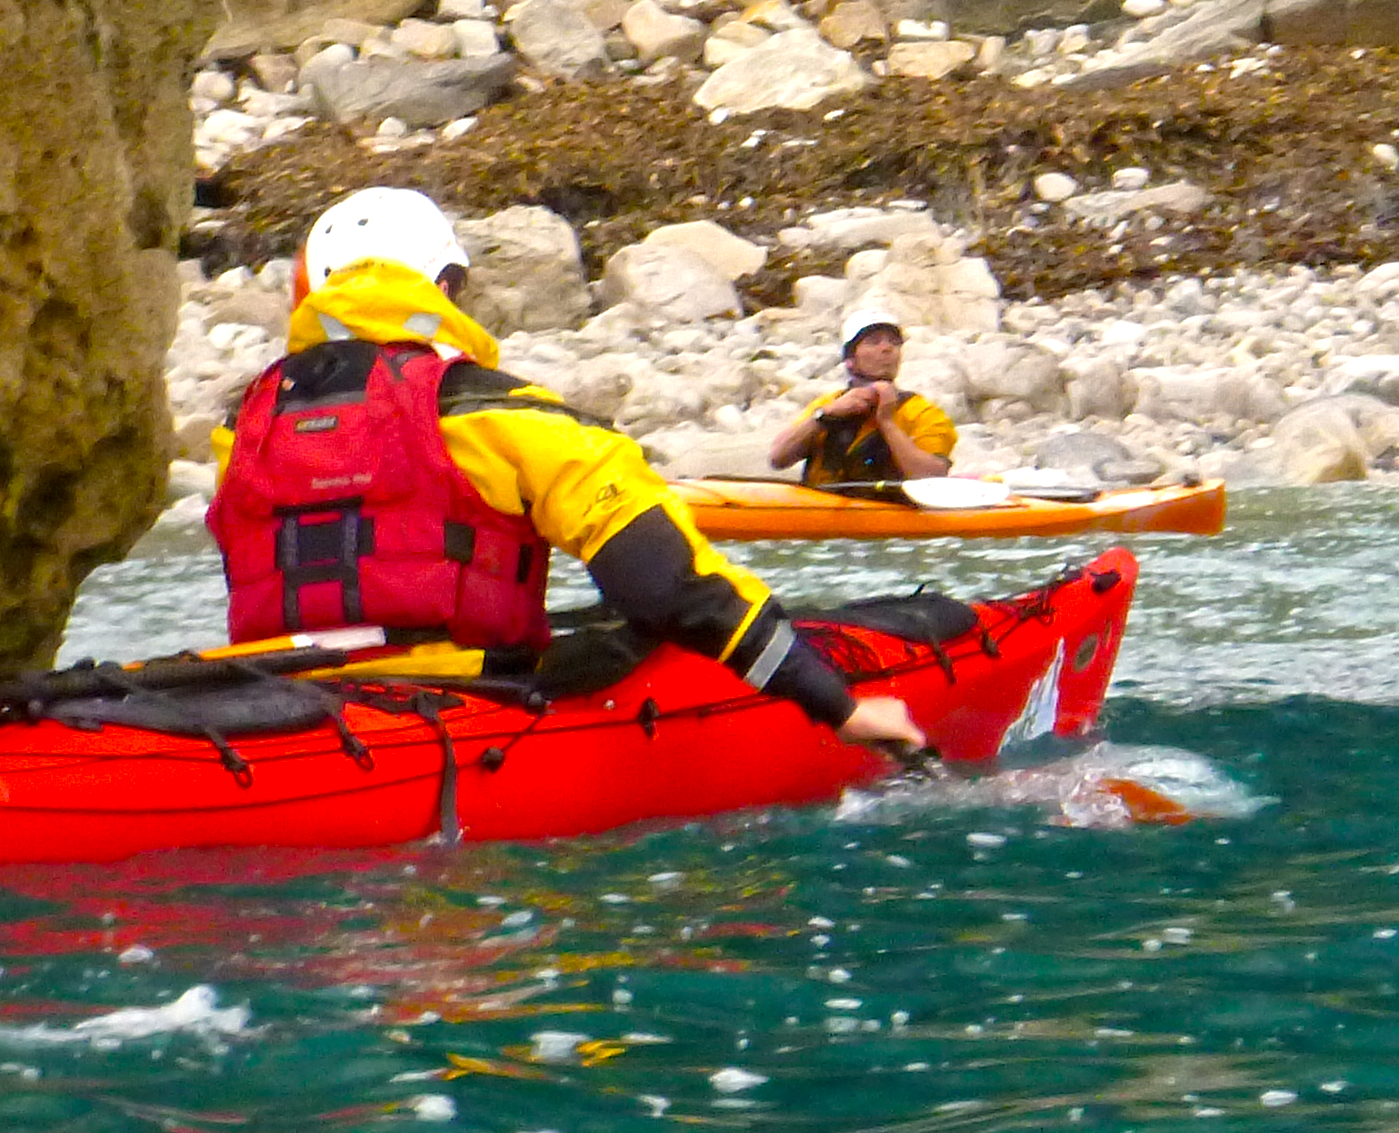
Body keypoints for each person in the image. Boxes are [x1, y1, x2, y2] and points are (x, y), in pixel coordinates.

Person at [205, 187, 927, 754]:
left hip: (273, 695)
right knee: (645, 626)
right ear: (446, 287)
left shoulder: (242, 433)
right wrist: (841, 706)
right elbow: (666, 588)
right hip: (459, 702)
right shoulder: (506, 417)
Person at [767, 305, 959, 488]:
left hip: (886, 514)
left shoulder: (923, 412)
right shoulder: (828, 404)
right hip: (825, 510)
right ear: (850, 359)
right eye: (873, 342)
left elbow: (933, 479)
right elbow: (778, 458)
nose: (887, 348)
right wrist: (826, 415)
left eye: (893, 342)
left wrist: (887, 422)